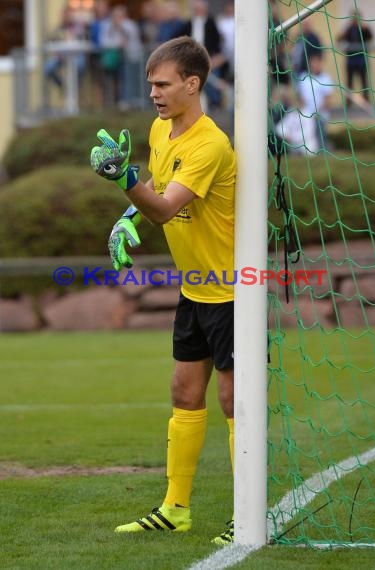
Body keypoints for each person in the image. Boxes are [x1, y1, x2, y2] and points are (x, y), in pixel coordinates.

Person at [90, 36, 236, 545]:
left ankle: (249, 514)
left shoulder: (210, 143)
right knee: (183, 392)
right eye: (150, 83)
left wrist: (123, 180)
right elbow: (155, 184)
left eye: (162, 84)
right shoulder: (161, 127)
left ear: (192, 84)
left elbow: (167, 206)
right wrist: (127, 215)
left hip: (231, 289)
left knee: (234, 401)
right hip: (195, 286)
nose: (153, 93)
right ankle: (176, 509)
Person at [296, 52, 334, 151]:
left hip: (320, 114)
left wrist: (317, 113)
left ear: (321, 63)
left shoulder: (326, 78)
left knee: (319, 129)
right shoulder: (303, 77)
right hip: (305, 115)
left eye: (317, 62)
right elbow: (300, 98)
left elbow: (328, 100)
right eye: (313, 62)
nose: (315, 65)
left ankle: (324, 150)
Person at [337, 9, 373, 104]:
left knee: (364, 81)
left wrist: (366, 28)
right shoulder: (349, 29)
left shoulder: (364, 28)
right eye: (353, 18)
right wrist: (342, 34)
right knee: (349, 82)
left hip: (361, 59)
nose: (355, 20)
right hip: (351, 60)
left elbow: (370, 37)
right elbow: (338, 39)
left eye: (356, 18)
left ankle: (366, 102)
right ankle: (349, 103)